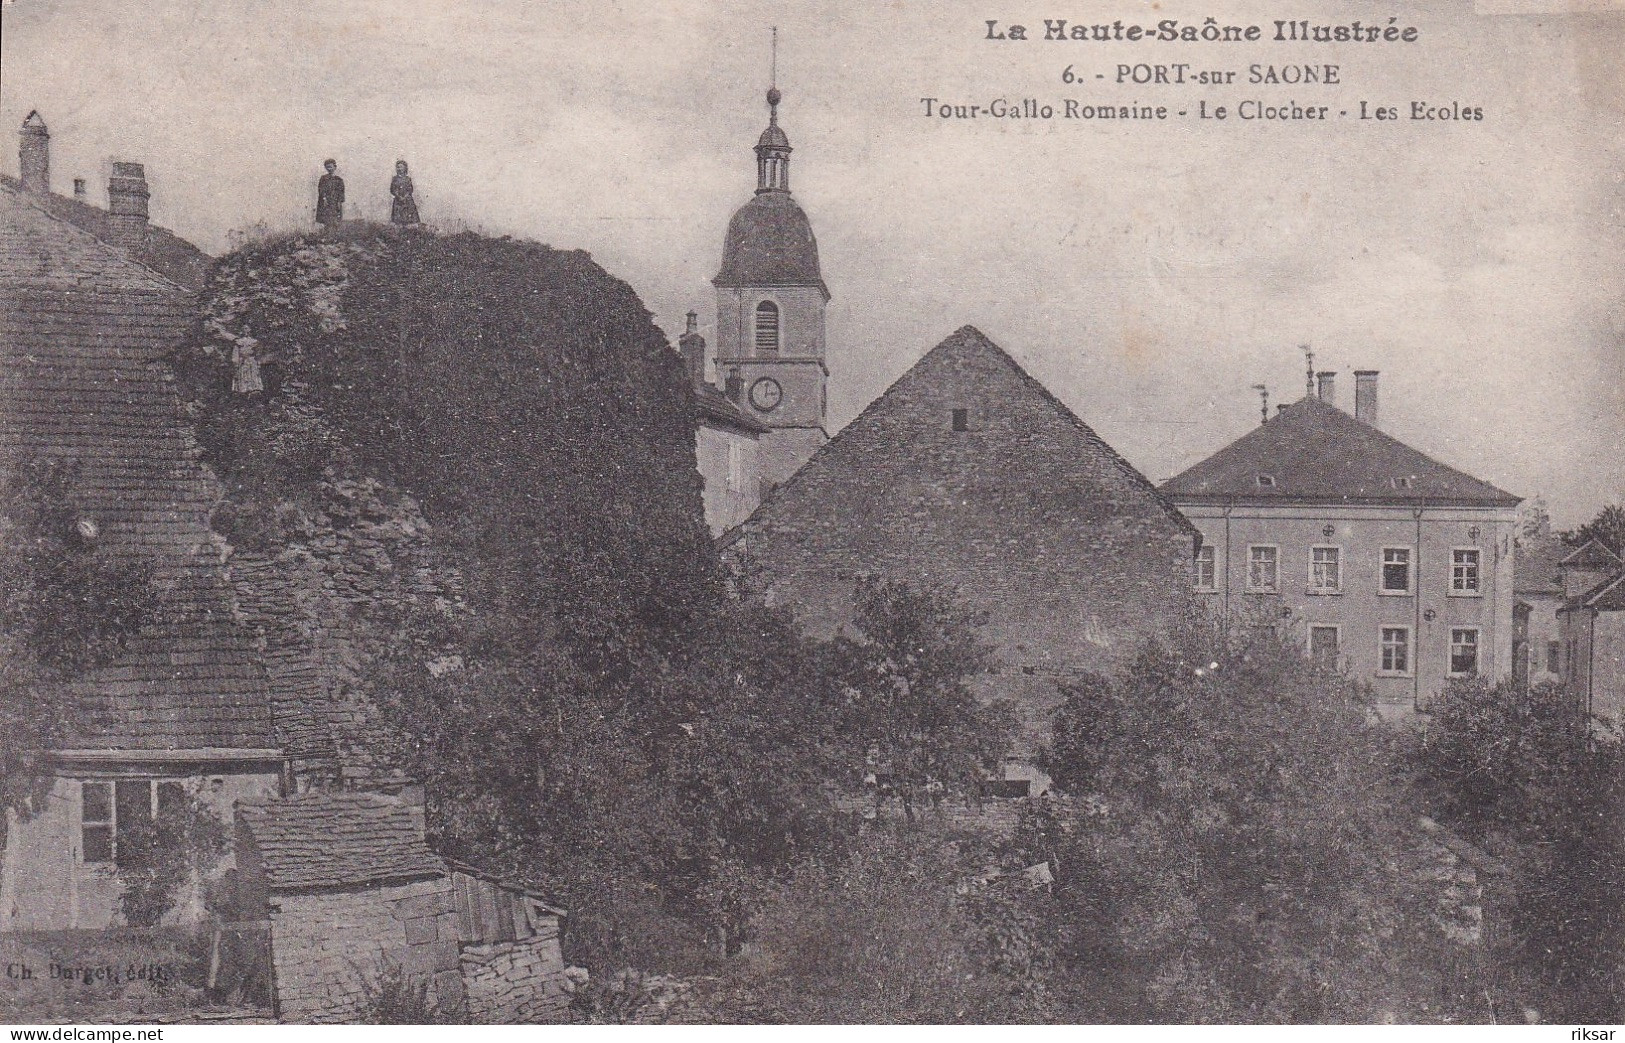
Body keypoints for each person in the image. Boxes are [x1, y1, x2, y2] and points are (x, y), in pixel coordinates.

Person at [390, 160, 420, 226]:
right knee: (398, 221)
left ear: (405, 168)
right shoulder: (395, 179)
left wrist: (405, 197)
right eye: (398, 167)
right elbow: (392, 189)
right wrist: (399, 196)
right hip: (398, 201)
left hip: (408, 201)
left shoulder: (408, 179)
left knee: (409, 219)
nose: (399, 169)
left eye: (401, 167)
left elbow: (410, 189)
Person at [315, 159, 344, 227]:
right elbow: (321, 189)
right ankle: (327, 235)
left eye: (330, 167)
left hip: (335, 203)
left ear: (335, 167)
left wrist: (339, 202)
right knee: (327, 221)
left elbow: (341, 192)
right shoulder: (324, 178)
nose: (329, 169)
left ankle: (334, 235)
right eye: (327, 167)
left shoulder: (339, 180)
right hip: (326, 202)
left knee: (336, 221)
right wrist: (324, 198)